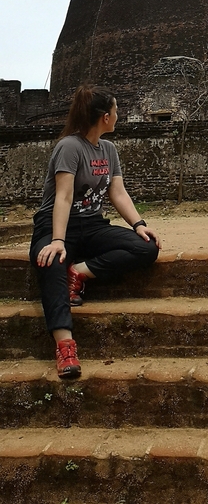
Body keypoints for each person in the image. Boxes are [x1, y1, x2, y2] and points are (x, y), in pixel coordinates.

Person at [30, 84, 161, 378]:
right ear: (104, 116)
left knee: (147, 247)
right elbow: (63, 197)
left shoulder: (109, 149)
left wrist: (139, 225)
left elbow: (118, 193)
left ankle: (80, 272)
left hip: (91, 225)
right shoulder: (69, 147)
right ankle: (65, 346)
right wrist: (58, 241)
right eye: (116, 111)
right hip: (54, 225)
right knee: (50, 262)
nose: (118, 116)